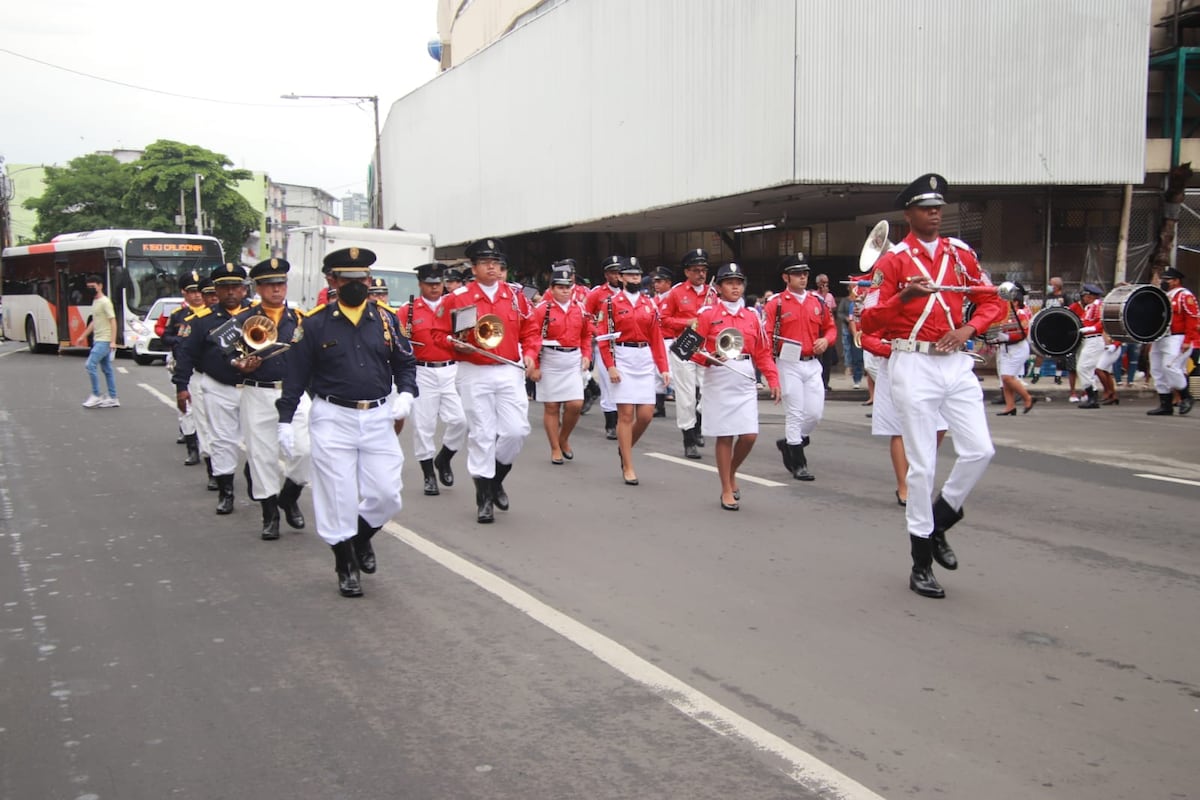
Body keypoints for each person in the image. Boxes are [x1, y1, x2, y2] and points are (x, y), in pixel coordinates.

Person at [859, 173, 1007, 600]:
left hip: (956, 361)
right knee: (922, 465)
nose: (936, 214)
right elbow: (868, 320)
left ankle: (941, 518)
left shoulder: (960, 254)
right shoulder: (893, 261)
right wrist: (903, 299)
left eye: (939, 207)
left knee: (981, 449)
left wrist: (969, 328)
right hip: (913, 362)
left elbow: (992, 300)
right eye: (927, 208)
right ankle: (920, 562)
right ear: (909, 214)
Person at [277, 247, 417, 597]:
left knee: (387, 495)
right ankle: (344, 563)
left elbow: (405, 362)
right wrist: (284, 419)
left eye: (363, 279)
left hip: (378, 416)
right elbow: (295, 376)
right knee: (338, 494)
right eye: (349, 279)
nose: (358, 285)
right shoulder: (313, 323)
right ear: (332, 281)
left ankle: (360, 537)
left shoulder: (385, 319)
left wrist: (407, 394)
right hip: (333, 417)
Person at [438, 238, 540, 524]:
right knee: (482, 433)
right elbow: (438, 333)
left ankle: (495, 478)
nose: (492, 267)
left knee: (516, 431)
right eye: (485, 262)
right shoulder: (457, 298)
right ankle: (483, 496)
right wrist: (455, 345)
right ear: (474, 267)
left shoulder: (516, 296)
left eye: (496, 263)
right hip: (474, 370)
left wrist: (531, 354)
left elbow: (531, 330)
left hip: (509, 369)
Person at [690, 263, 779, 509]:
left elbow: (762, 352)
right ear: (718, 287)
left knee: (749, 435)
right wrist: (709, 358)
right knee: (725, 435)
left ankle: (731, 472)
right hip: (718, 377)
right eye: (729, 282)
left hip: (744, 376)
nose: (735, 287)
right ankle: (726, 488)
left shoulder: (752, 316)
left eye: (738, 282)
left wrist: (773, 378)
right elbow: (687, 349)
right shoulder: (707, 314)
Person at [234, 258, 311, 540]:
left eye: (280, 283)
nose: (276, 290)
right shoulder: (243, 320)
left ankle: (289, 496)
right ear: (258, 287)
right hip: (257, 390)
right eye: (269, 285)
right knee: (261, 455)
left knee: (305, 450)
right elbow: (227, 355)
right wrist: (239, 366)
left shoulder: (301, 318)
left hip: (293, 392)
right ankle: (270, 513)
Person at [174, 263, 252, 514]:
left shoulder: (256, 315)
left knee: (260, 440)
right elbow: (186, 354)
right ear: (215, 291)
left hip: (253, 387)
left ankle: (256, 478)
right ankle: (225, 491)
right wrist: (181, 387)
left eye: (235, 287)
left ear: (244, 289)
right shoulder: (201, 321)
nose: (230, 292)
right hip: (219, 386)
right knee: (221, 440)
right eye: (224, 287)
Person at [762, 253, 837, 481]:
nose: (802, 278)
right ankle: (798, 461)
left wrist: (827, 340)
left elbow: (830, 329)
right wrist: (772, 372)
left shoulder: (818, 302)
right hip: (788, 363)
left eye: (805, 273)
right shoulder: (776, 304)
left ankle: (790, 442)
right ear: (786, 277)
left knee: (814, 413)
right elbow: (766, 336)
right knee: (794, 412)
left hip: (812, 362)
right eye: (797, 274)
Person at [395, 263, 467, 495]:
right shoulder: (409, 310)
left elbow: (467, 333)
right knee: (423, 426)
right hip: (422, 370)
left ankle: (444, 458)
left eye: (438, 283)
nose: (435, 288)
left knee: (460, 420)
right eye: (429, 284)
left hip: (450, 369)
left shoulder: (453, 306)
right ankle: (428, 474)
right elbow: (398, 342)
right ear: (420, 284)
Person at [597, 258, 670, 485]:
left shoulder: (650, 304)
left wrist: (664, 367)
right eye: (629, 275)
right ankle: (628, 465)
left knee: (646, 414)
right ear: (621, 278)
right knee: (626, 414)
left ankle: (625, 447)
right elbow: (603, 338)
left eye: (637, 275)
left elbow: (657, 338)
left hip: (644, 357)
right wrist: (610, 366)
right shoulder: (610, 304)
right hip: (622, 356)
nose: (634, 279)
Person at [530, 264, 593, 464]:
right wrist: (536, 366)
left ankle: (564, 437)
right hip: (550, 359)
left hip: (572, 359)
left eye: (568, 286)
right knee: (552, 406)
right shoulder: (542, 310)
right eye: (560, 287)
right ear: (552, 288)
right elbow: (533, 338)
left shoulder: (580, 309)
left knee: (575, 404)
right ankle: (555, 447)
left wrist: (586, 354)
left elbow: (586, 335)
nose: (565, 290)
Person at [660, 248, 717, 458]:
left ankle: (699, 424)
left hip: (705, 345)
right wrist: (687, 322)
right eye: (696, 270)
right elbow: (663, 319)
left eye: (703, 270)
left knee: (709, 391)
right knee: (686, 396)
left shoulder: (713, 294)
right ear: (687, 272)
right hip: (685, 342)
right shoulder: (676, 292)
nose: (701, 274)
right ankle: (689, 438)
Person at [162, 271, 209, 466]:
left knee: (208, 413)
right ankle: (192, 449)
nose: (197, 295)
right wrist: (181, 341)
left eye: (199, 291)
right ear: (184, 293)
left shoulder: (211, 313)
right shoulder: (178, 315)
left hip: (205, 368)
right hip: (183, 365)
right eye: (192, 291)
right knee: (188, 410)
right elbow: (165, 336)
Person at [1147, 267, 1200, 416]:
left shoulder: (1184, 296)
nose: (1164, 282)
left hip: (1177, 337)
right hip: (1161, 337)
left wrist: (1189, 340)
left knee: (1170, 367)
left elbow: (1193, 319)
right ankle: (1165, 404)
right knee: (1157, 369)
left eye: (1167, 279)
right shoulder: (1164, 296)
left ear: (1176, 281)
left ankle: (1185, 396)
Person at [585, 256, 626, 439]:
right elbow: (586, 317)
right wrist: (597, 332)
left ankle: (624, 420)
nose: (616, 276)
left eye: (619, 272)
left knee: (624, 383)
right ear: (606, 275)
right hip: (604, 343)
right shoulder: (597, 293)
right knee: (609, 382)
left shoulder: (630, 293)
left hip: (626, 344)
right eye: (612, 272)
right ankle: (611, 423)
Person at [988, 284, 1036, 415]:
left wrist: (1007, 337)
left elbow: (1023, 333)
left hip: (1017, 348)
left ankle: (1028, 397)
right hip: (1006, 347)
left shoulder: (1021, 313)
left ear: (1015, 301)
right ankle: (1010, 406)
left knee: (1008, 377)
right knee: (1005, 378)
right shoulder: (1006, 314)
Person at [81, 274, 119, 409]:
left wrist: (113, 341)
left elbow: (113, 321)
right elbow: (94, 322)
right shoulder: (96, 301)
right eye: (89, 287)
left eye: (93, 286)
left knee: (90, 365)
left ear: (100, 286)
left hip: (104, 340)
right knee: (107, 369)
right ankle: (113, 397)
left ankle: (96, 395)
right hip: (98, 339)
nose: (91, 289)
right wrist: (83, 335)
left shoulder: (105, 302)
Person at [1073, 284, 1106, 409]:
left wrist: (1088, 329)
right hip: (1088, 339)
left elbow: (1101, 322)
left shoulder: (1098, 305)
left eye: (1085, 296)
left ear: (1090, 296)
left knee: (1083, 367)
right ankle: (1092, 396)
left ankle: (1092, 396)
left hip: (1094, 339)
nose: (1084, 298)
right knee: (1085, 369)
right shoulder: (1088, 307)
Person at [650, 267, 675, 417]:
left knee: (670, 373)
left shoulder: (673, 297)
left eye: (660, 281)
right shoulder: (654, 300)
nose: (656, 284)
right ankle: (659, 406)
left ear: (668, 282)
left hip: (670, 339)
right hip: (657, 339)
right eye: (655, 281)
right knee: (656, 373)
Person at [813, 274, 839, 390]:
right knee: (818, 357)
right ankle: (817, 381)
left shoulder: (830, 296)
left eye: (827, 282)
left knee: (828, 359)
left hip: (827, 329)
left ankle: (825, 382)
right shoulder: (813, 296)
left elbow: (833, 311)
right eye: (823, 282)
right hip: (816, 330)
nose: (825, 285)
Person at [836, 288, 864, 389]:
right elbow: (842, 314)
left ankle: (860, 377)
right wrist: (847, 319)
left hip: (863, 331)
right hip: (850, 330)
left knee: (861, 356)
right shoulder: (848, 302)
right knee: (850, 352)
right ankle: (852, 372)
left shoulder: (866, 302)